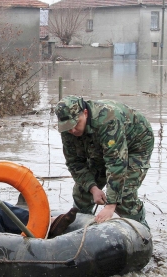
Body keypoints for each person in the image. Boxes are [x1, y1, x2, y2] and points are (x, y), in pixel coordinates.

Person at [54, 95, 154, 230]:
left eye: (76, 124)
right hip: (101, 144)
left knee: (124, 196)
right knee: (82, 192)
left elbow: (116, 163)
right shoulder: (68, 130)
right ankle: (81, 231)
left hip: (136, 145)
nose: (72, 130)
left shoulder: (108, 120)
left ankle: (142, 232)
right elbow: (74, 163)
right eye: (67, 127)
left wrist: (111, 205)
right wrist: (93, 188)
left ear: (85, 113)